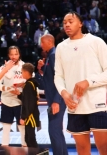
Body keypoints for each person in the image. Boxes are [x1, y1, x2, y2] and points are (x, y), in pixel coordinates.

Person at [54, 11, 107, 155]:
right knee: (82, 149)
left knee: (104, 147)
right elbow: (58, 76)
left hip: (97, 103)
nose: (67, 25)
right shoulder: (61, 47)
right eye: (64, 23)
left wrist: (88, 82)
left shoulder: (96, 42)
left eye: (70, 21)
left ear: (81, 23)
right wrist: (64, 94)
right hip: (74, 104)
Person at [37, 34, 67, 155]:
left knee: (54, 131)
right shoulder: (50, 56)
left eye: (43, 42)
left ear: (50, 41)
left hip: (57, 100)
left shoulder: (54, 55)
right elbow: (49, 79)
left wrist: (56, 101)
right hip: (53, 99)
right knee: (57, 131)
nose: (41, 45)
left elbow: (61, 79)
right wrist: (42, 69)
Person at [0, 46, 26, 146]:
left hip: (20, 101)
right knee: (6, 129)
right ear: (8, 55)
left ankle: (25, 150)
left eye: (16, 54)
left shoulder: (25, 67)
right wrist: (7, 89)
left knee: (23, 129)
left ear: (19, 54)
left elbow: (31, 82)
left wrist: (23, 86)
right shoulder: (3, 68)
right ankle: (4, 150)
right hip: (6, 101)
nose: (14, 56)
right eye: (11, 54)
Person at [19, 63, 40, 148]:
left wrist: (24, 117)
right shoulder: (31, 83)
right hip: (31, 113)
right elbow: (28, 99)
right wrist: (19, 94)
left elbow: (29, 102)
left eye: (22, 72)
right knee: (28, 138)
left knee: (30, 139)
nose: (21, 74)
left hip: (30, 115)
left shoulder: (28, 84)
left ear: (26, 72)